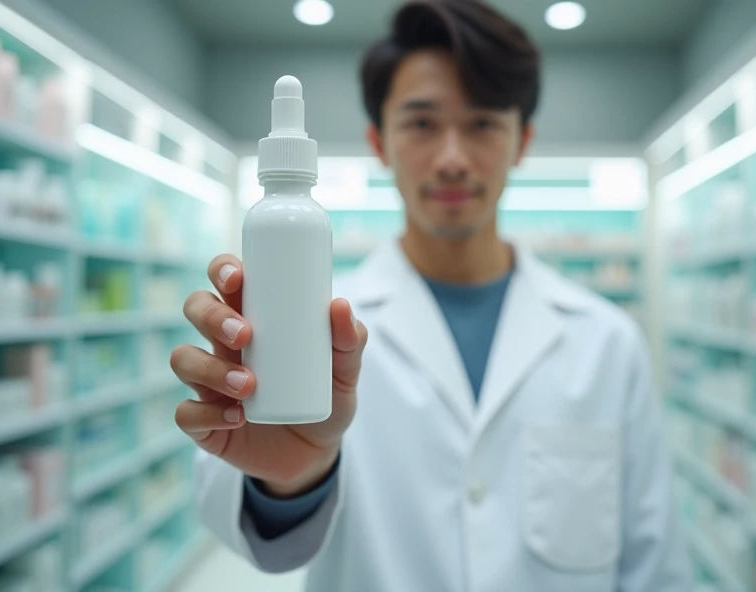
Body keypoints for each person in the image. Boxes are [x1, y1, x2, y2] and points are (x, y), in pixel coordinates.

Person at [170, 0, 691, 589]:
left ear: (522, 141)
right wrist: (291, 481)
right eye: (421, 123)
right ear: (378, 142)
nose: (451, 159)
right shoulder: (307, 332)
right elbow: (251, 535)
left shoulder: (607, 344)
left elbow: (656, 564)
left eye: (483, 123)